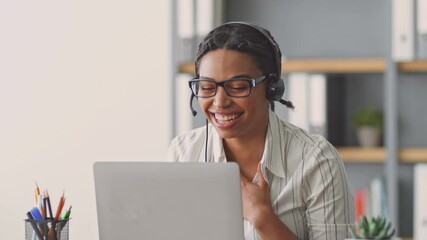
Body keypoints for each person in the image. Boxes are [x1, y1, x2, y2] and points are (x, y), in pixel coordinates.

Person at [167, 22, 354, 240]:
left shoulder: (317, 162)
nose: (219, 102)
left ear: (272, 88)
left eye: (238, 87)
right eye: (207, 88)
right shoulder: (183, 153)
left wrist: (262, 217)